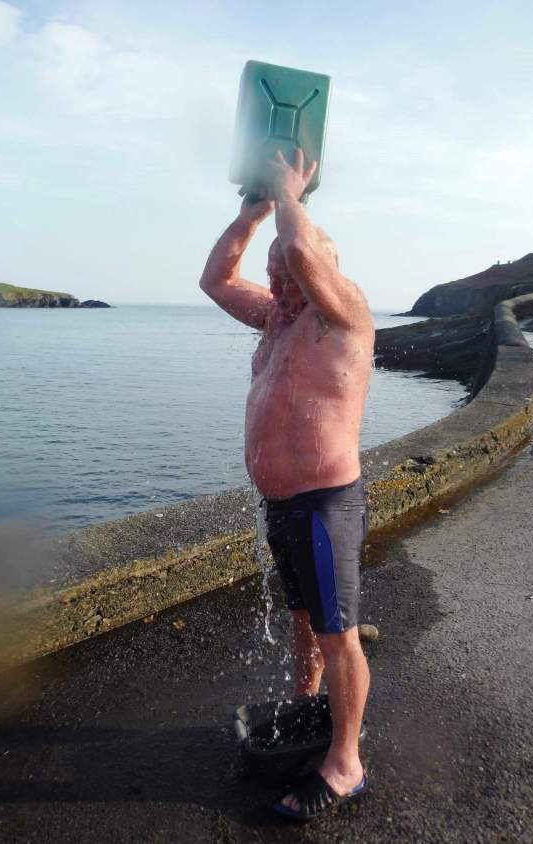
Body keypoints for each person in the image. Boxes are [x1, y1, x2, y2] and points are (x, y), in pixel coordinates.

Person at [199, 148, 375, 821]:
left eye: (286, 263)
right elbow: (217, 278)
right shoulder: (276, 317)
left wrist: (292, 194)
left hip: (327, 504)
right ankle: (311, 712)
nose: (277, 272)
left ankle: (345, 765)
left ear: (325, 266)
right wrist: (254, 212)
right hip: (282, 504)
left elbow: (302, 252)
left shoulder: (345, 314)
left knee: (339, 635)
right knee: (303, 621)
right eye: (271, 268)